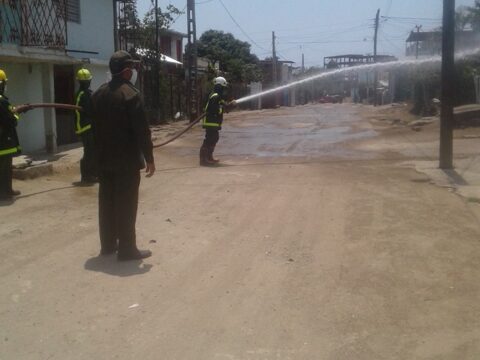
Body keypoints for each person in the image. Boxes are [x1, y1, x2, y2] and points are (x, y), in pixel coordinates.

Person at [91, 51, 155, 261]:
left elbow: (92, 129)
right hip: (126, 162)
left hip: (103, 161)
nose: (133, 71)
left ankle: (108, 246)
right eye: (132, 68)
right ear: (127, 71)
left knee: (107, 203)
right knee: (126, 204)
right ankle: (127, 249)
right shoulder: (130, 94)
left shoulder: (98, 94)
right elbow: (142, 131)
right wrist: (150, 158)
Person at [199, 76, 236, 166]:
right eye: (223, 88)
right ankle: (204, 159)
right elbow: (214, 109)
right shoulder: (215, 96)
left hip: (214, 122)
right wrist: (227, 106)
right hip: (211, 121)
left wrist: (231, 105)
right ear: (219, 87)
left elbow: (224, 108)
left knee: (214, 138)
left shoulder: (218, 97)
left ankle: (209, 157)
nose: (224, 90)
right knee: (210, 139)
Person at [0, 69, 21, 200]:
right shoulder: (2, 101)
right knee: (5, 169)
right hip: (3, 141)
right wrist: (16, 113)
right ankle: (5, 192)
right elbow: (11, 121)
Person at [74, 68, 97, 184]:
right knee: (89, 152)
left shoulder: (87, 93)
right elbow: (89, 111)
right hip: (85, 127)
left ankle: (93, 173)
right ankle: (86, 176)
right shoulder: (82, 94)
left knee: (93, 151)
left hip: (90, 127)